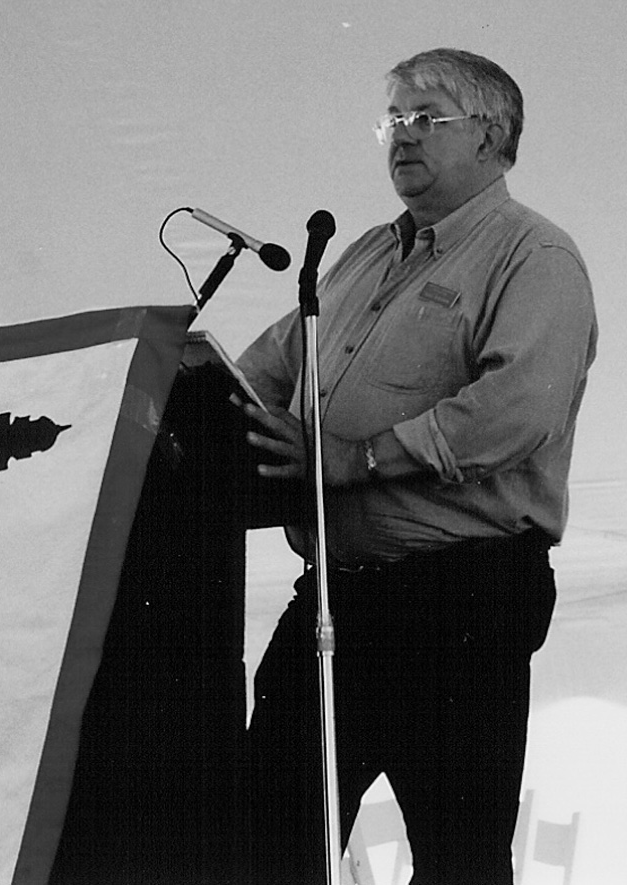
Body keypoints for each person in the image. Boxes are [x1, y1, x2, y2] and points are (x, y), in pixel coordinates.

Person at [237, 48, 597, 885]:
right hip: (336, 598)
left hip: (460, 601)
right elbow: (268, 370)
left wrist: (358, 458)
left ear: (491, 136)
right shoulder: (363, 254)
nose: (402, 135)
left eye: (426, 118)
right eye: (392, 118)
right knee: (261, 838)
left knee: (457, 859)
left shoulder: (534, 256)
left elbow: (519, 409)